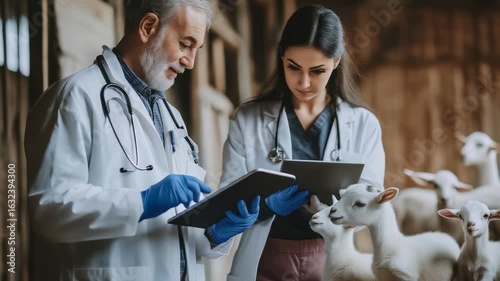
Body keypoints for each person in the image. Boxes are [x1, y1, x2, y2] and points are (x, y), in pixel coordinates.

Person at [24, 1, 260, 280]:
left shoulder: (171, 116)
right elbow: (49, 209)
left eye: (197, 50)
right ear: (148, 27)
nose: (191, 61)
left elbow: (174, 233)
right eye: (185, 44)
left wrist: (216, 232)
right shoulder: (75, 97)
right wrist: (142, 202)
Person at [220, 4, 386, 281]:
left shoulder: (362, 125)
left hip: (330, 256)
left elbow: (373, 202)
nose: (304, 82)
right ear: (281, 56)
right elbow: (229, 197)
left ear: (336, 62)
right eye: (293, 67)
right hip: (264, 256)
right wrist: (266, 206)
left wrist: (331, 211)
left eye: (317, 70)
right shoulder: (248, 120)